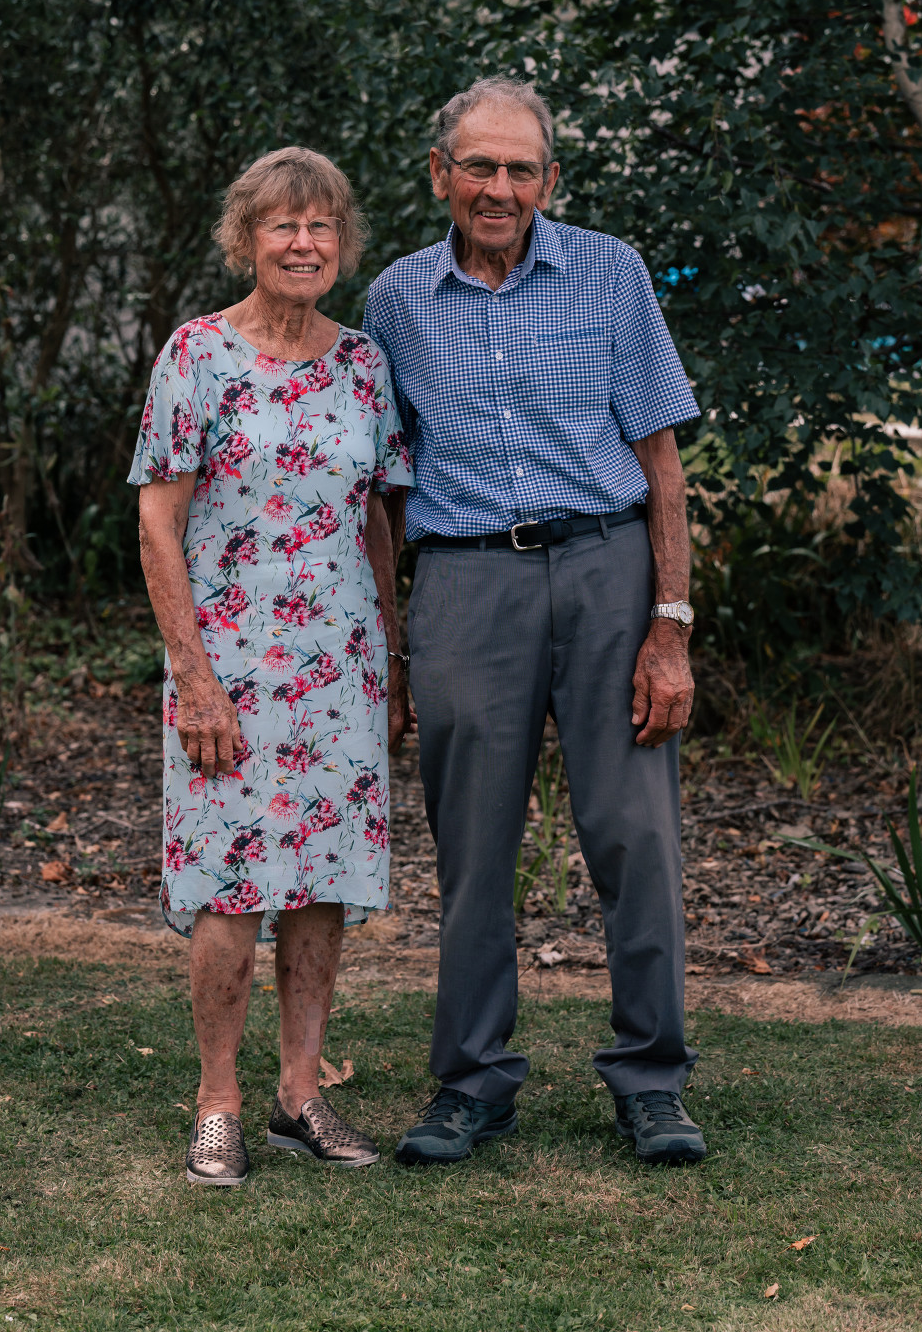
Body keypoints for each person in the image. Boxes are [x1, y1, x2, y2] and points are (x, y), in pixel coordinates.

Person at [363, 76, 707, 1167]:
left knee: (634, 837)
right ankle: (470, 1085)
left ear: (548, 180)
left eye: (519, 169)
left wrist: (669, 627)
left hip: (607, 571)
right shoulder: (395, 300)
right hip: (465, 585)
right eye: (479, 165)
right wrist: (391, 642)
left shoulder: (610, 272)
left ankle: (650, 1080)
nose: (498, 188)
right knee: (471, 850)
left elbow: (661, 462)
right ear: (441, 175)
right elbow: (383, 489)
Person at [130, 147, 414, 1185]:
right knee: (227, 884)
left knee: (321, 882)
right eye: (282, 225)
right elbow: (157, 527)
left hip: (341, 668)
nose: (303, 243)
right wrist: (193, 676)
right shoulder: (196, 353)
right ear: (245, 239)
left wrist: (392, 660)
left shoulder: (364, 365)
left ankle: (301, 1092)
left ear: (342, 242)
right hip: (228, 670)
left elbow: (377, 522)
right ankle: (219, 1101)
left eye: (320, 225)